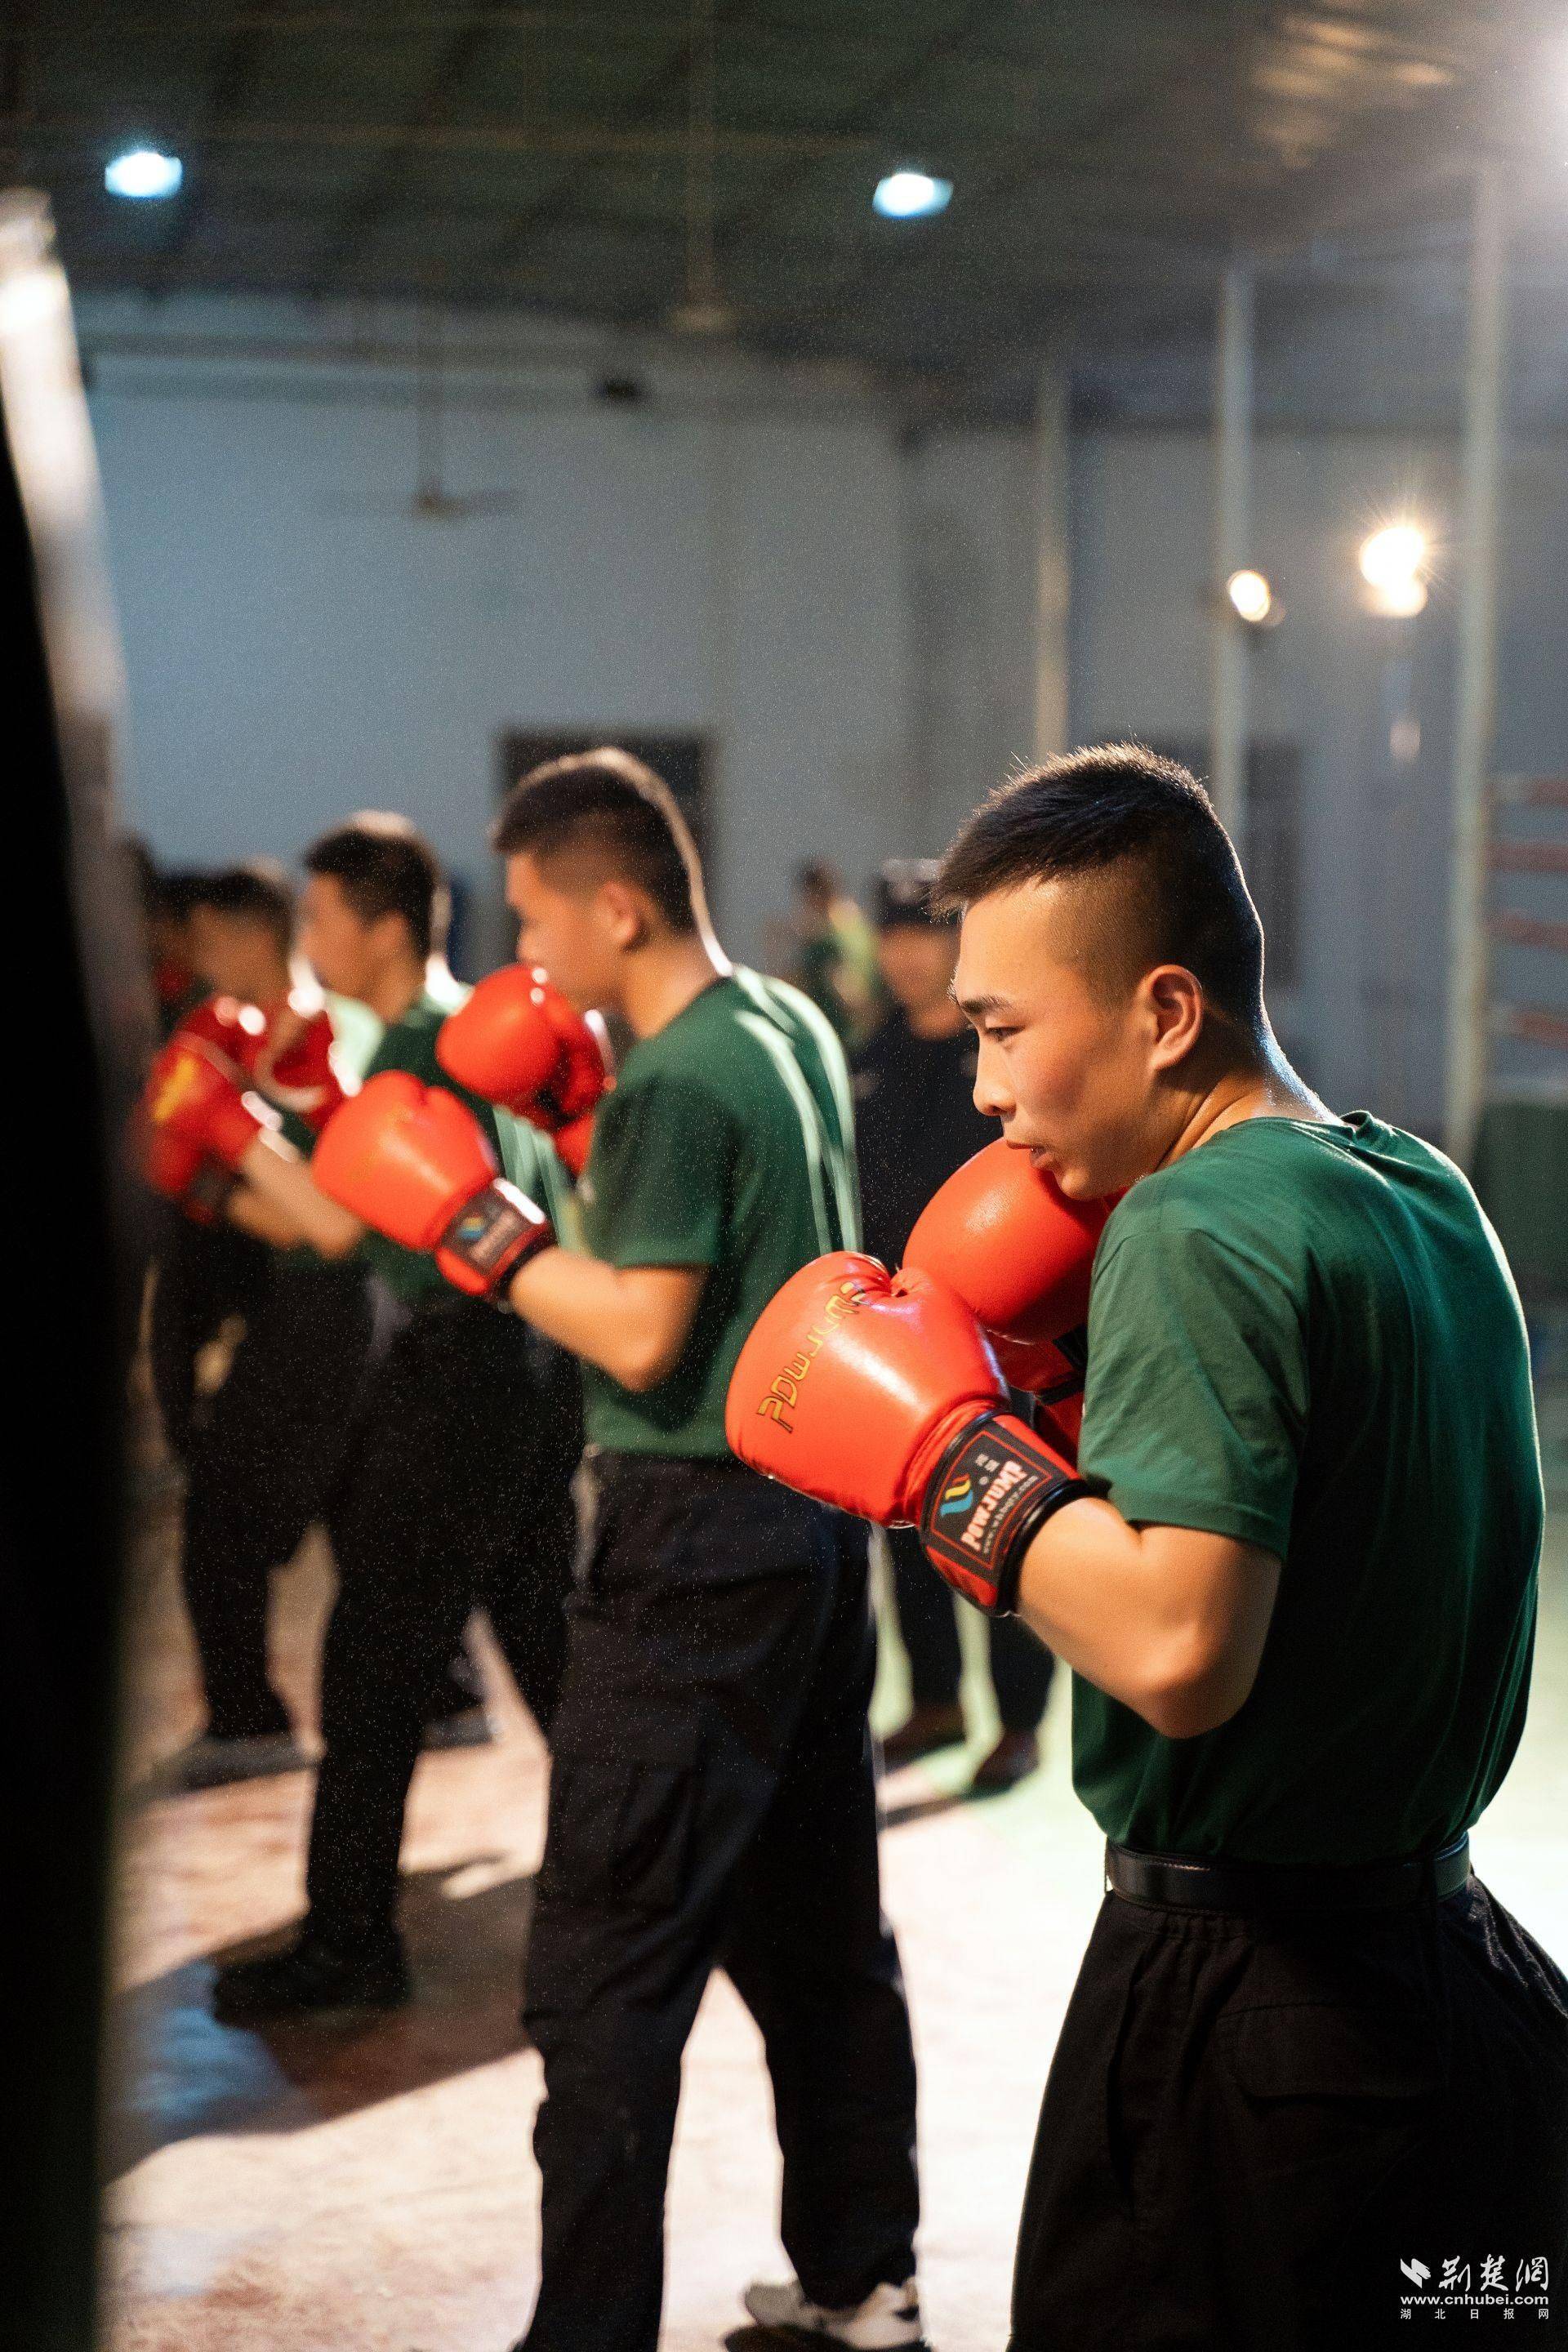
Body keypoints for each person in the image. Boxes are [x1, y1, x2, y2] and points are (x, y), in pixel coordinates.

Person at [728, 744, 1568, 2350]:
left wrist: (950, 1452)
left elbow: (1183, 1649)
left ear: (1167, 1013)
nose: (979, 1085)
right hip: (1460, 2000)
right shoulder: (1420, 1184)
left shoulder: (1197, 1229)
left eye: (1002, 1030)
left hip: (1255, 2034)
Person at [305, 752, 924, 2352]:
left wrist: (475, 1226)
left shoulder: (668, 1081)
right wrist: (574, 1139)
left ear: (618, 903)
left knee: (600, 1979)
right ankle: (866, 2286)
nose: (524, 962)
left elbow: (644, 1334)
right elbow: (697, 1254)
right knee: (819, 1938)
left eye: (534, 921)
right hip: (815, 1526)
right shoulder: (776, 1023)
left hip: (694, 1536)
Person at [158, 814, 581, 2016]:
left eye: (326, 913)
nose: (310, 936)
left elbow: (338, 1231)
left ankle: (350, 1944)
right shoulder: (462, 1039)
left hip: (463, 1373)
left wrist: (218, 1147)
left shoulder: (419, 1054)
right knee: (548, 1649)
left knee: (373, 1661)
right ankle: (660, 1882)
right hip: (531, 1371)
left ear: (384, 926)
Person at [139, 861, 372, 1788]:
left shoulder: (327, 1041)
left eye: (205, 941)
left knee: (225, 1516)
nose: (194, 961)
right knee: (360, 1518)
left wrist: (203, 1168)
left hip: (331, 1304)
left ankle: (248, 1722)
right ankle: (449, 1693)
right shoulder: (237, 1037)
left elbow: (321, 1221)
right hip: (300, 1305)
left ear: (246, 933)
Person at [854, 858, 1053, 1793]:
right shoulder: (873, 1054)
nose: (905, 955)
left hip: (1000, 1334)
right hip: (900, 1340)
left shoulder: (999, 1059)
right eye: (893, 935)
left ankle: (1018, 1724)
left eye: (924, 936)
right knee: (907, 1535)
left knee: (1006, 1524)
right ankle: (935, 1705)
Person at [790, 857, 884, 1049]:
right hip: (872, 1037)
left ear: (813, 897)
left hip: (841, 1040)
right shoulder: (863, 929)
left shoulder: (826, 941)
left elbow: (850, 993)